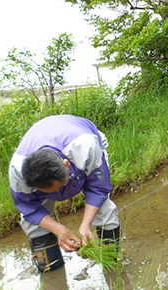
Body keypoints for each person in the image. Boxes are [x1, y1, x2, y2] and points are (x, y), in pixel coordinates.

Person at [9, 115, 121, 272]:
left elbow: (99, 186)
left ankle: (112, 263)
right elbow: (28, 207)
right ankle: (51, 270)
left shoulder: (85, 146)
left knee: (104, 210)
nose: (58, 194)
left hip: (79, 138)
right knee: (32, 224)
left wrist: (85, 224)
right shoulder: (18, 171)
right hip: (44, 148)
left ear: (66, 165)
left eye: (61, 186)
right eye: (50, 192)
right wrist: (58, 229)